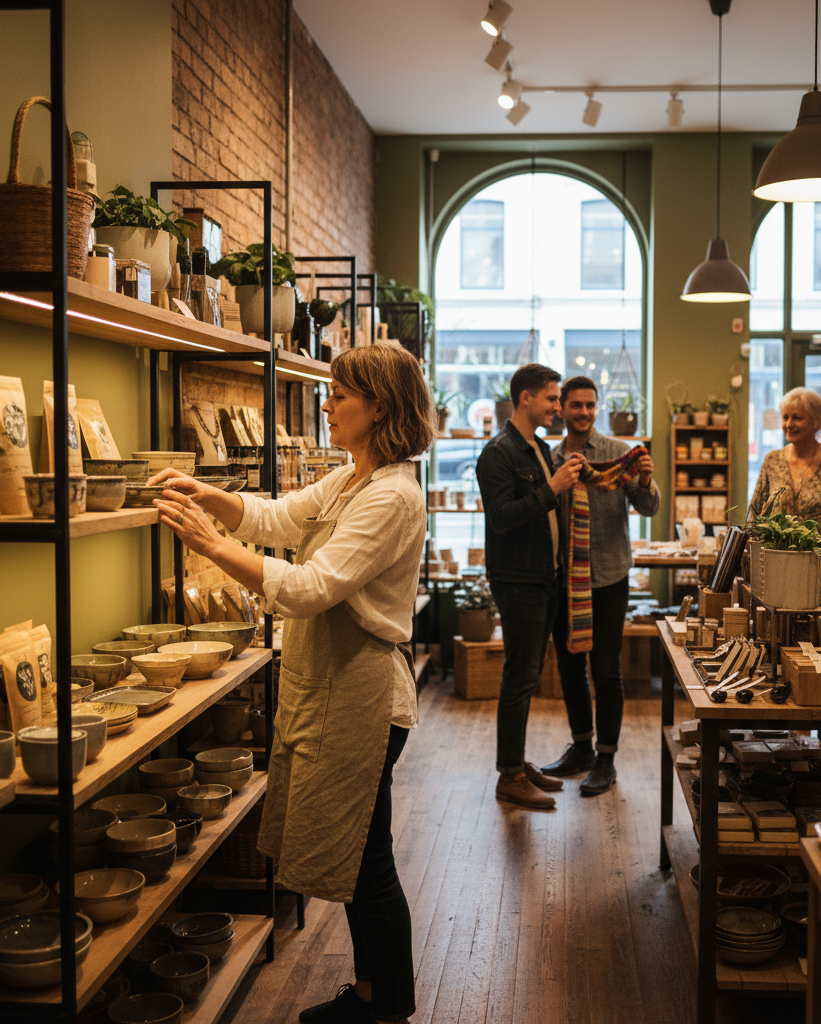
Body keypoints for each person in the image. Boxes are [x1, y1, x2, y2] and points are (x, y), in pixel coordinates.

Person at [150, 344, 433, 1024]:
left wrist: (215, 547)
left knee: (365, 862)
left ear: (380, 408)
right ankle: (374, 997)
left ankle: (383, 1007)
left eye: (340, 395)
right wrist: (209, 495)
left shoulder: (392, 495)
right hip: (335, 684)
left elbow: (309, 588)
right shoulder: (351, 479)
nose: (328, 405)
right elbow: (277, 516)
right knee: (364, 857)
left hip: (363, 692)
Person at [542, 376, 660, 794]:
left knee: (606, 669)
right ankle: (581, 748)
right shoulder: (550, 457)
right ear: (562, 410)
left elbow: (648, 507)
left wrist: (644, 479)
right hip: (563, 579)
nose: (584, 412)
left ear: (598, 408)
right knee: (571, 666)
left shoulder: (618, 453)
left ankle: (606, 758)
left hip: (609, 576)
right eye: (575, 405)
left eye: (590, 405)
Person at [475, 363, 583, 810]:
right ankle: (508, 776)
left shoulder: (537, 446)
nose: (558, 406)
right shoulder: (498, 453)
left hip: (545, 576)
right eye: (552, 398)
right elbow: (500, 519)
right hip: (518, 579)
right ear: (526, 398)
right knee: (519, 678)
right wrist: (551, 489)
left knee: (528, 674)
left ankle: (517, 762)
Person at [748, 386, 821, 595]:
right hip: (777, 571)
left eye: (797, 418)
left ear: (816, 422)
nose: (789, 424)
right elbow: (755, 516)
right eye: (785, 417)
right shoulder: (772, 461)